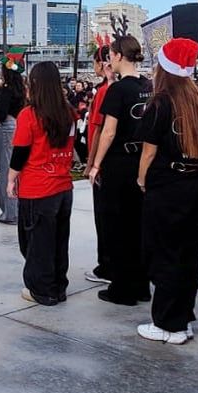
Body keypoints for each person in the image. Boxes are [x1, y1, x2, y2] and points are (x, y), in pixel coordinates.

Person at [137, 38, 198, 344]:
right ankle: (182, 316)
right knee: (188, 253)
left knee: (164, 253)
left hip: (168, 186)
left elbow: (148, 153)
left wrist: (142, 180)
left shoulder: (160, 104)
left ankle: (169, 323)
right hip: (197, 183)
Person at [7, 61, 75, 306]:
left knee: (36, 243)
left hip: (38, 187)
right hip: (63, 186)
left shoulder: (30, 115)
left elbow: (20, 152)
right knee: (58, 240)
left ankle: (42, 289)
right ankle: (58, 286)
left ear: (34, 85)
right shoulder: (68, 111)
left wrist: (11, 178)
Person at [90, 35, 152, 305]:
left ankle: (122, 288)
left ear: (117, 56)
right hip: (141, 160)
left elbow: (108, 131)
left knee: (116, 226)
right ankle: (139, 285)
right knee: (138, 226)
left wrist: (95, 164)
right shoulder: (146, 86)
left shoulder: (117, 90)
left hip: (119, 162)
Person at [82, 41, 114, 285]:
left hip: (104, 161)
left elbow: (100, 129)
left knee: (104, 217)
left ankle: (106, 266)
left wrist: (92, 163)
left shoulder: (104, 92)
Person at [0, 61, 26, 226]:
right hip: (17, 124)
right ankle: (16, 209)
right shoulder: (21, 89)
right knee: (15, 168)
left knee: (5, 169)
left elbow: (0, 113)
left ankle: (9, 212)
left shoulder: (7, 90)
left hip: (5, 127)